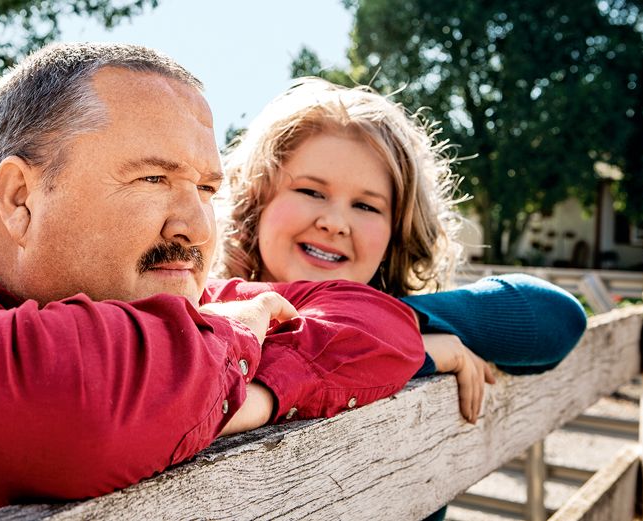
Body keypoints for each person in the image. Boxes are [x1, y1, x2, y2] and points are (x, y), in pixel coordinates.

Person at [0, 45, 427, 520]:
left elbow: (373, 322)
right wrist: (233, 340)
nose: (196, 227)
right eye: (154, 178)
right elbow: (83, 399)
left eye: (206, 189)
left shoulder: (144, 287)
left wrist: (239, 389)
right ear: (20, 199)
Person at [219, 78, 587, 520]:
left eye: (367, 206)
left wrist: (377, 331)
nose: (335, 222)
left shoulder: (409, 319)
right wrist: (377, 343)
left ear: (397, 233)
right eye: (311, 192)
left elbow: (557, 317)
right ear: (256, 201)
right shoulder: (204, 313)